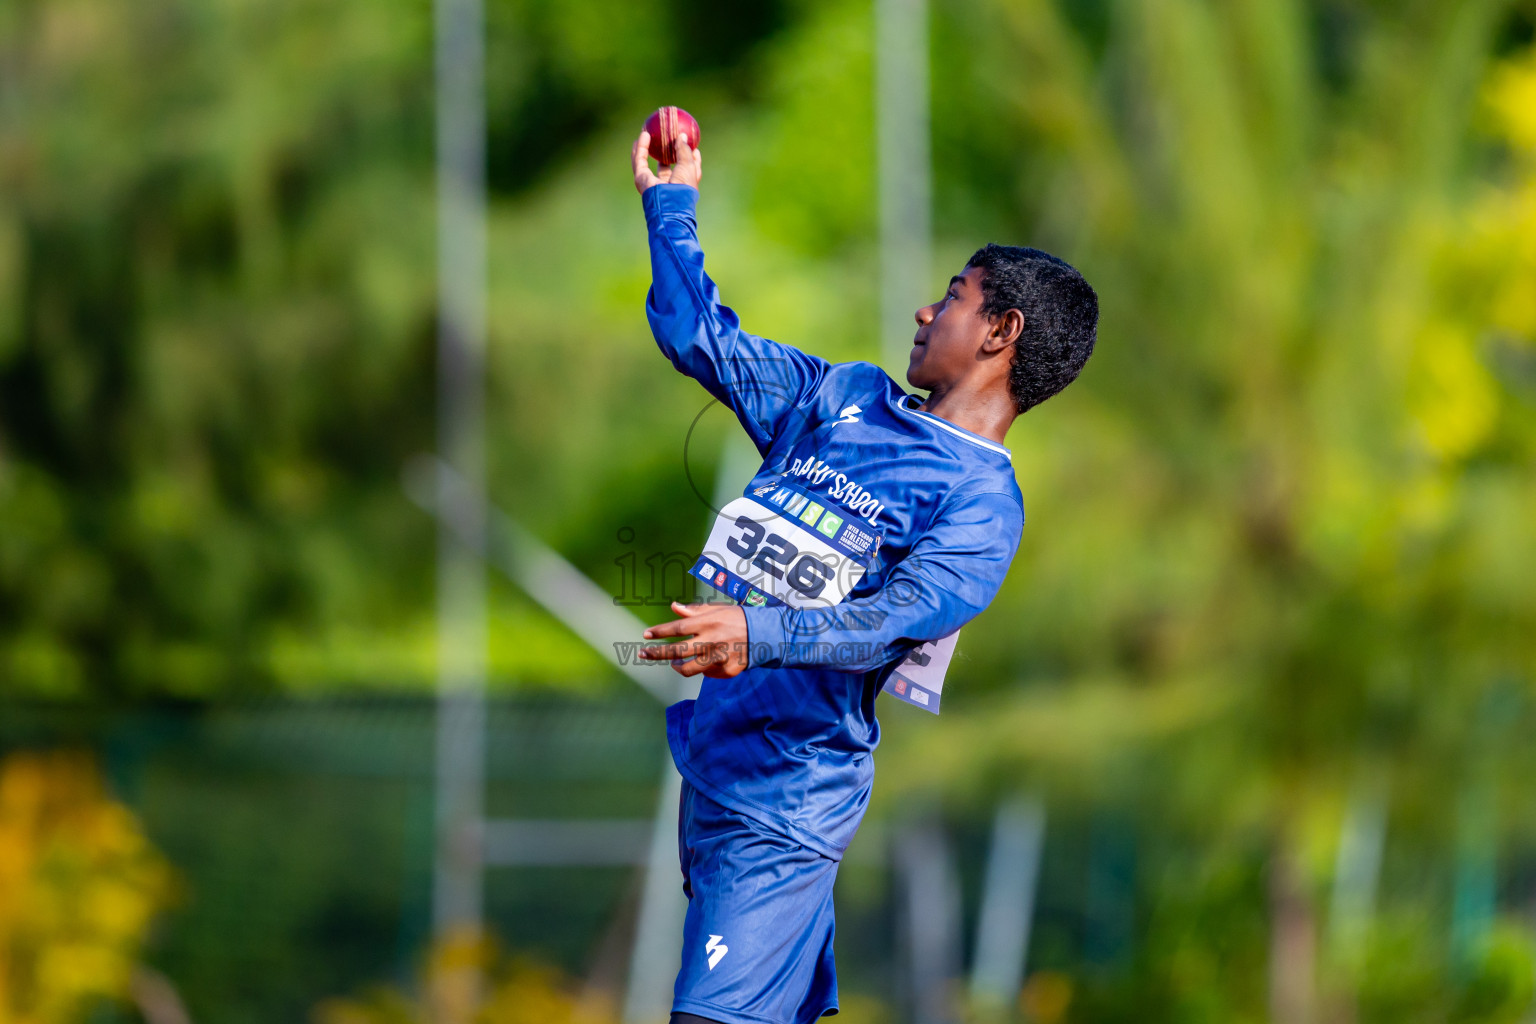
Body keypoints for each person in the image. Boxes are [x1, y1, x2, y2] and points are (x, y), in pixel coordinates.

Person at [630, 123, 1097, 1024]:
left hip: (785, 802)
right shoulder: (841, 399)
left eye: (953, 297)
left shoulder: (980, 506)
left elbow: (888, 622)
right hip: (718, 768)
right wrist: (671, 203)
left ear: (1002, 331)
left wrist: (753, 632)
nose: (927, 312)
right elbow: (701, 337)